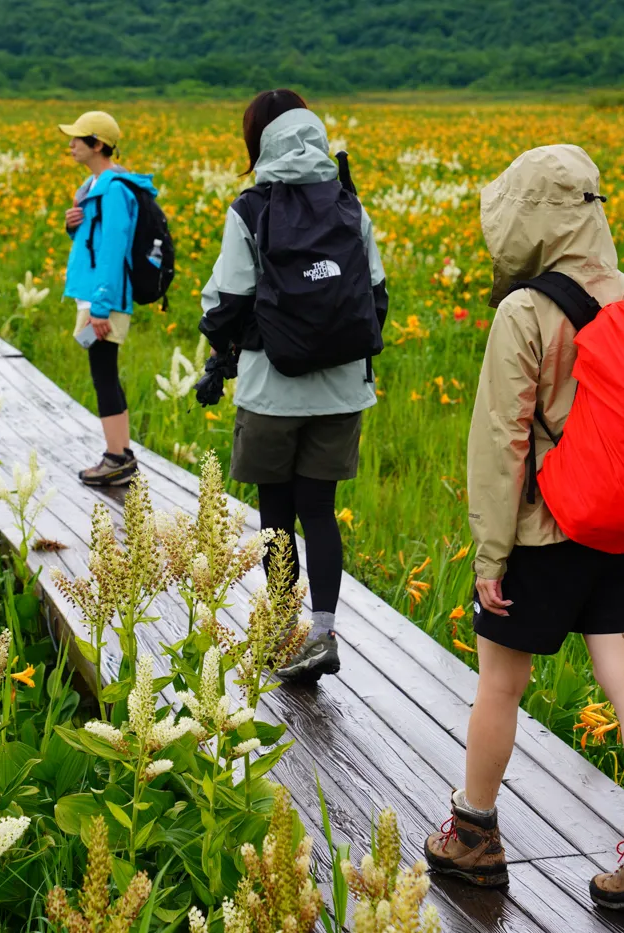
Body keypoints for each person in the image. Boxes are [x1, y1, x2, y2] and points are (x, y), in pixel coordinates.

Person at [423, 145, 624, 918]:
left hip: (541, 537)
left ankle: (473, 837)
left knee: (501, 684)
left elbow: (502, 439)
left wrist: (490, 553)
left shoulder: (527, 310)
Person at [198, 89, 387, 683]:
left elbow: (226, 300)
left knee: (276, 514)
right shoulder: (350, 205)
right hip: (340, 393)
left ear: (261, 143)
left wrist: (220, 357)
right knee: (321, 513)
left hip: (271, 390)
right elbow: (376, 297)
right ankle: (324, 632)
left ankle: (281, 628)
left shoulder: (250, 208)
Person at [59, 110, 157, 487]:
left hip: (105, 301)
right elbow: (95, 243)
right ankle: (120, 454)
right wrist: (73, 229)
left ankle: (117, 458)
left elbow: (115, 249)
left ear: (97, 144)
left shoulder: (114, 189)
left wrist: (101, 308)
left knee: (104, 374)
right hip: (93, 297)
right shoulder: (91, 186)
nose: (70, 145)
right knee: (102, 372)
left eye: (77, 139)